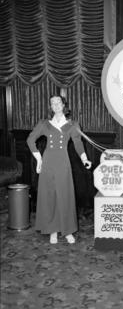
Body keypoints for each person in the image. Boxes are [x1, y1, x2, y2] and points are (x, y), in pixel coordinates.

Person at [27, 95, 92, 244]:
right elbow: (30, 140)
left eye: (58, 102)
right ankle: (53, 230)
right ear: (51, 106)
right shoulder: (44, 124)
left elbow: (78, 142)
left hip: (63, 163)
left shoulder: (72, 125)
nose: (55, 105)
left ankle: (68, 231)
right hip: (48, 162)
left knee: (65, 195)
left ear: (64, 105)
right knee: (49, 196)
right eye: (52, 103)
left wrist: (84, 159)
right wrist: (39, 159)